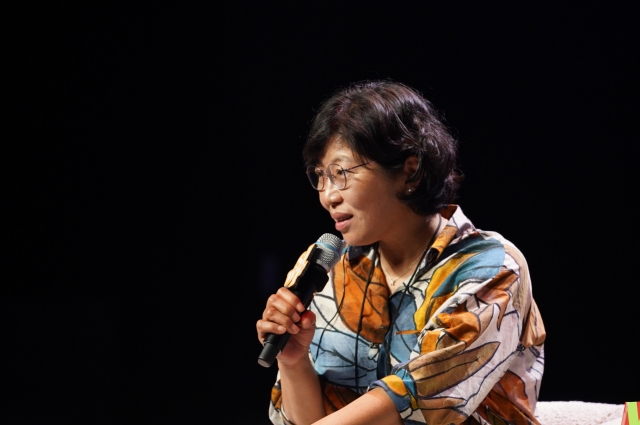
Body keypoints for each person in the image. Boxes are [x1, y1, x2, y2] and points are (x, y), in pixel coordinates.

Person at [256, 81, 546, 425]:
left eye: (342, 173)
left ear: (409, 171)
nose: (328, 195)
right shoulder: (323, 267)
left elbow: (408, 400)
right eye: (320, 175)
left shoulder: (491, 268)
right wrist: (293, 362)